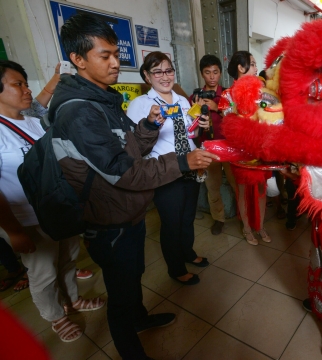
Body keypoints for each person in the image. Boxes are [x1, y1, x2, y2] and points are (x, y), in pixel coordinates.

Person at [56, 14, 217, 359]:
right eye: (105, 56)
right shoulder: (79, 112)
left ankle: (140, 320)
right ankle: (132, 352)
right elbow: (121, 169)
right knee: (122, 289)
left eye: (116, 53)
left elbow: (125, 147)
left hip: (126, 211)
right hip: (108, 219)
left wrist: (145, 129)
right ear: (78, 59)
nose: (115, 63)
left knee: (133, 276)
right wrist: (182, 162)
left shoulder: (104, 100)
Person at [0, 60, 105, 343]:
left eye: (25, 82)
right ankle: (56, 316)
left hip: (57, 209)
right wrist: (14, 232)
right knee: (43, 271)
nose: (26, 89)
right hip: (25, 218)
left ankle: (72, 300)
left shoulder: (36, 121)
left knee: (68, 258)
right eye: (17, 84)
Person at [127, 51, 210, 285]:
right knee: (171, 222)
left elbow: (189, 133)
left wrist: (202, 125)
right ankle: (175, 268)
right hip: (165, 173)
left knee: (187, 217)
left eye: (169, 70)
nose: (165, 76)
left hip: (191, 167)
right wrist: (150, 124)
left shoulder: (183, 100)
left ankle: (188, 253)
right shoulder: (140, 105)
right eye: (158, 72)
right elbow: (135, 148)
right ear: (147, 75)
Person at [219, 51, 272, 245]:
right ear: (241, 68)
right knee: (241, 190)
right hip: (240, 150)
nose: (257, 68)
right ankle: (247, 228)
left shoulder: (262, 91)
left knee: (261, 188)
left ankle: (261, 226)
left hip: (260, 149)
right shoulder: (227, 95)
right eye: (253, 63)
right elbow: (229, 124)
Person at [188, 55, 236, 235]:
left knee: (235, 184)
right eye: (207, 72)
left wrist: (217, 108)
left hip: (229, 146)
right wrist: (196, 111)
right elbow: (189, 125)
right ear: (202, 74)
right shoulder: (195, 96)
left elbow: (237, 119)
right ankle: (219, 219)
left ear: (220, 73)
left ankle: (241, 214)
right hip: (208, 148)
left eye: (215, 72)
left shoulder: (228, 95)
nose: (212, 76)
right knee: (212, 186)